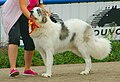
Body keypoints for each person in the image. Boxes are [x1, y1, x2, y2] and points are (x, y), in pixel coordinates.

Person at [2, 0, 48, 77]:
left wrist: (46, 13)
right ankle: (12, 69)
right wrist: (32, 18)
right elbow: (22, 6)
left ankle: (27, 69)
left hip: (26, 13)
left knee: (30, 39)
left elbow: (39, 4)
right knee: (14, 38)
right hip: (13, 13)